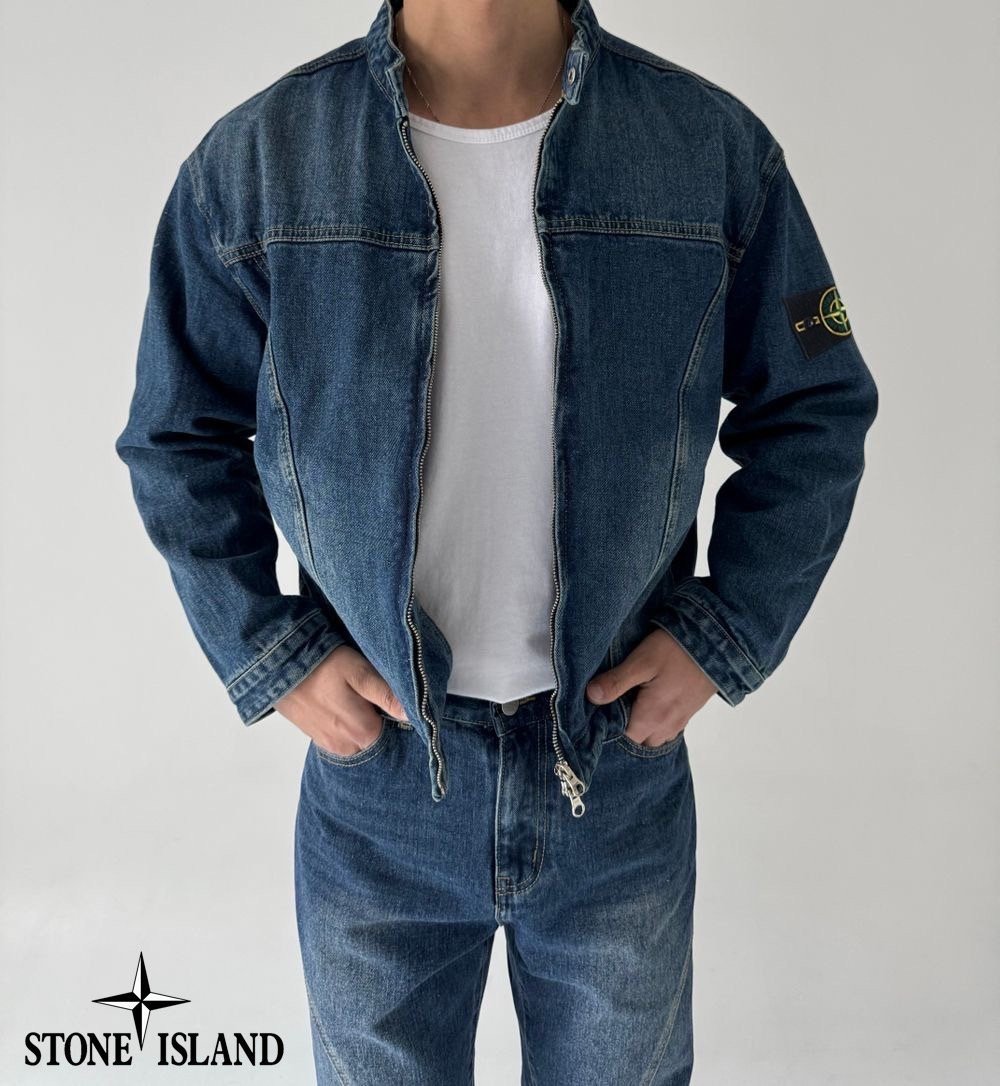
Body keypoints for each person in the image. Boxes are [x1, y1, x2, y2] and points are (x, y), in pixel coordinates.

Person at [114, 0, 878, 1081]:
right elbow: (175, 434)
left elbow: (817, 396)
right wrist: (272, 656)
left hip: (614, 772)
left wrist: (724, 634)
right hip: (378, 784)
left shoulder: (715, 153)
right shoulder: (257, 163)